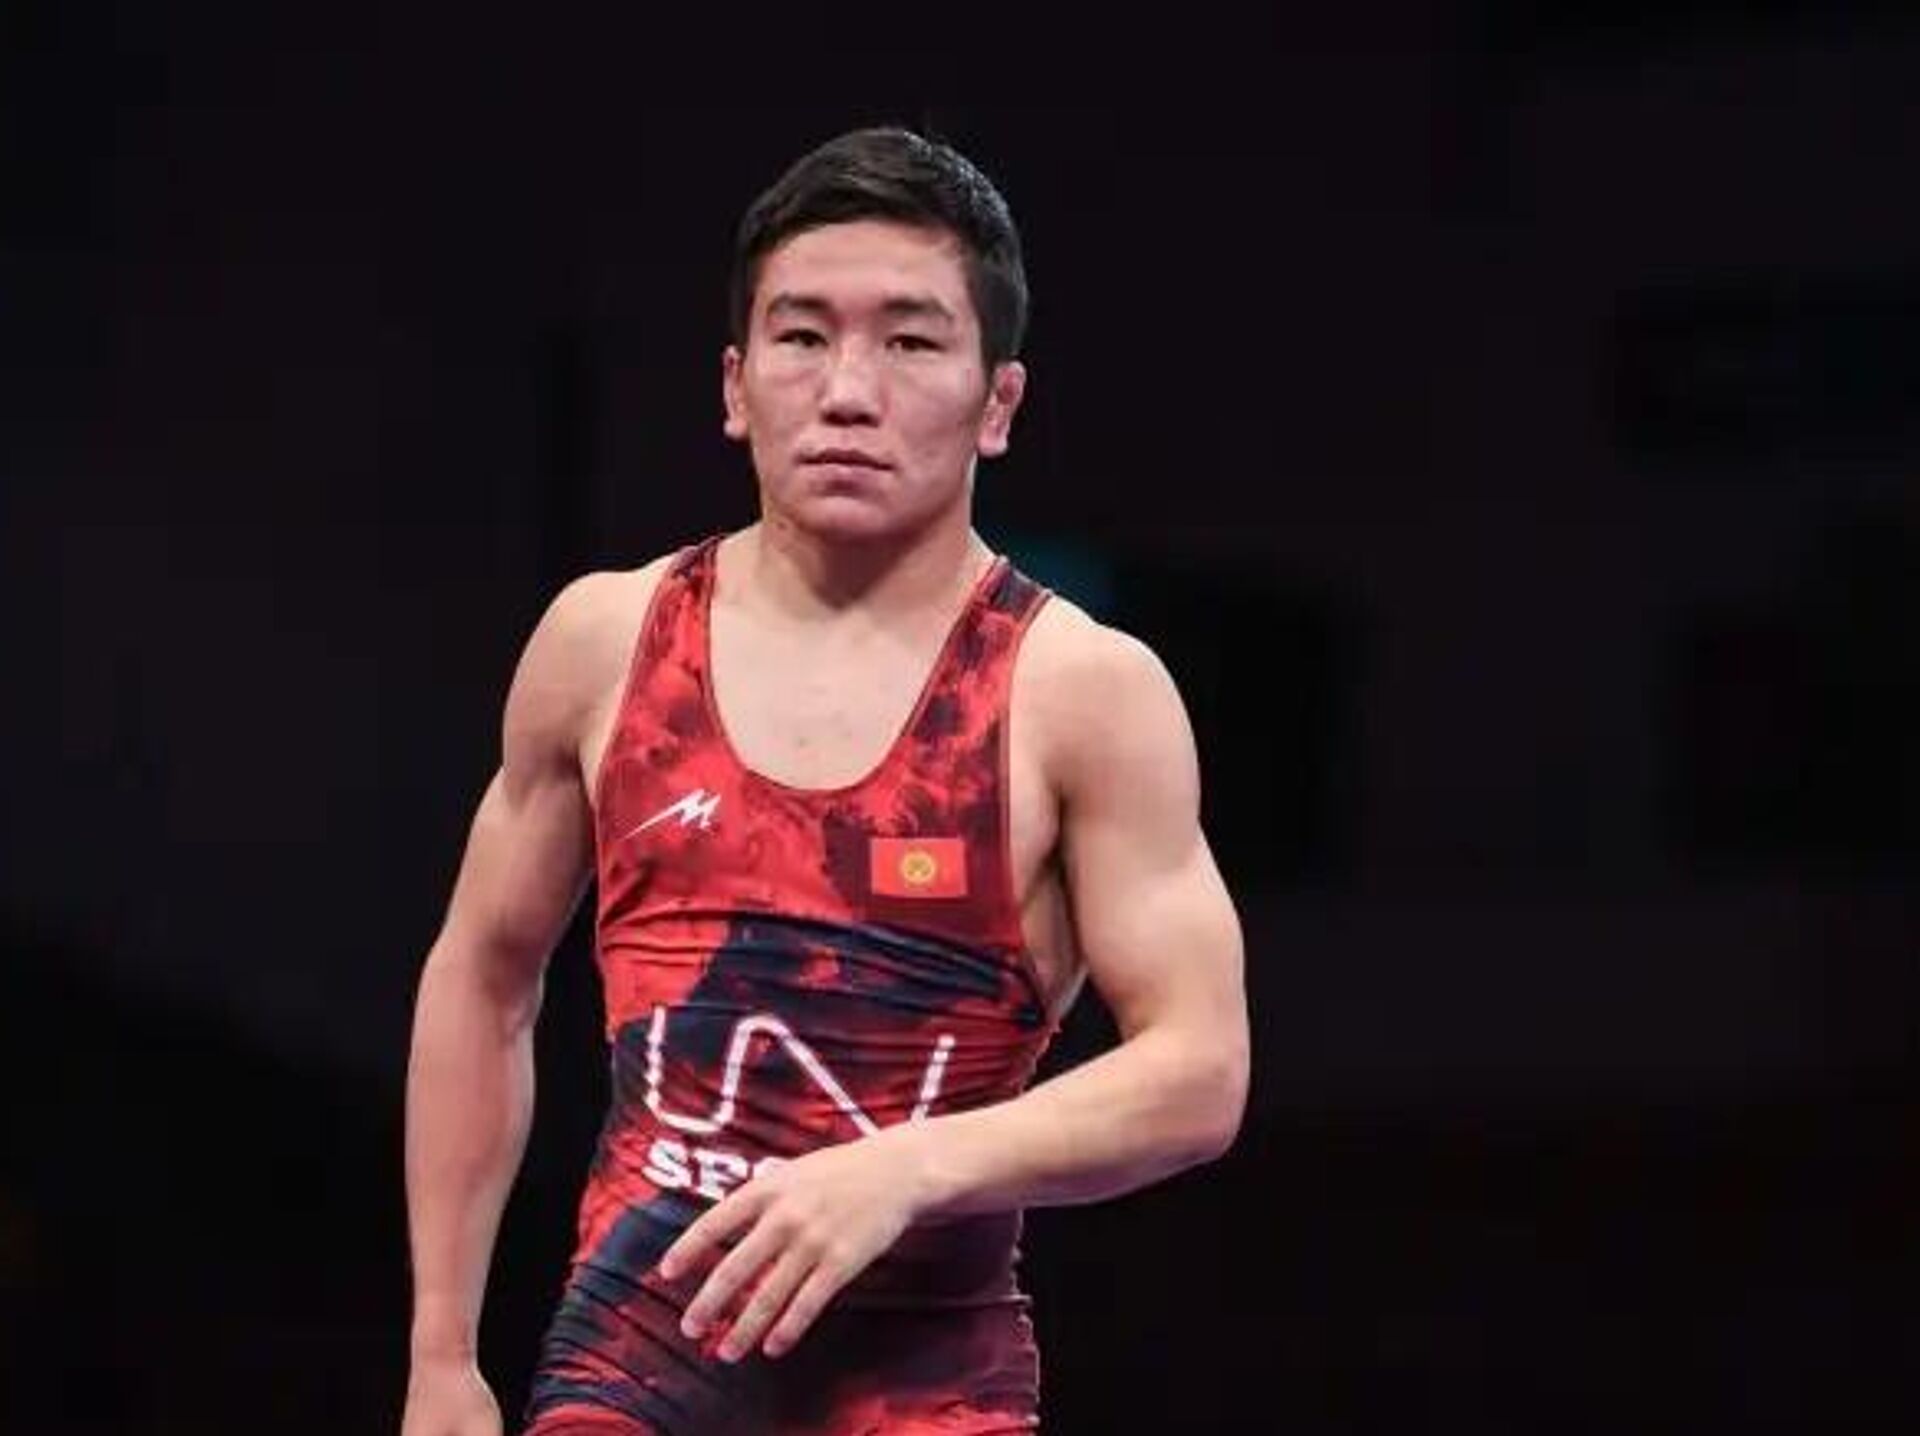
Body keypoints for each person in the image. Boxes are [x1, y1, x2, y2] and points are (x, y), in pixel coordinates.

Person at [401, 125, 1250, 1436]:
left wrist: (903, 1169)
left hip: (924, 1390)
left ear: (999, 403)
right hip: (631, 1372)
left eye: (910, 342)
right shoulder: (604, 644)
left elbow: (1200, 1069)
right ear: (736, 387)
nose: (849, 391)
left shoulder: (1082, 692)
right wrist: (443, 1355)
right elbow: (481, 976)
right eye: (802, 336)